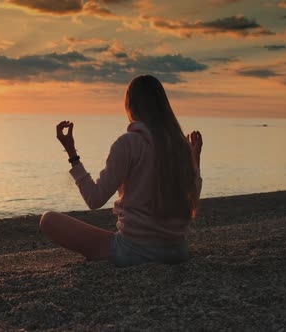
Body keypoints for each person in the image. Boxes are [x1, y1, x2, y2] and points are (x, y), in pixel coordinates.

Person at [39, 75, 203, 267]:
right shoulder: (180, 145)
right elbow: (192, 198)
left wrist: (72, 153)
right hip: (178, 251)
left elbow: (94, 199)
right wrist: (194, 160)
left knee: (48, 220)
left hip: (133, 251)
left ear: (130, 105)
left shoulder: (128, 143)